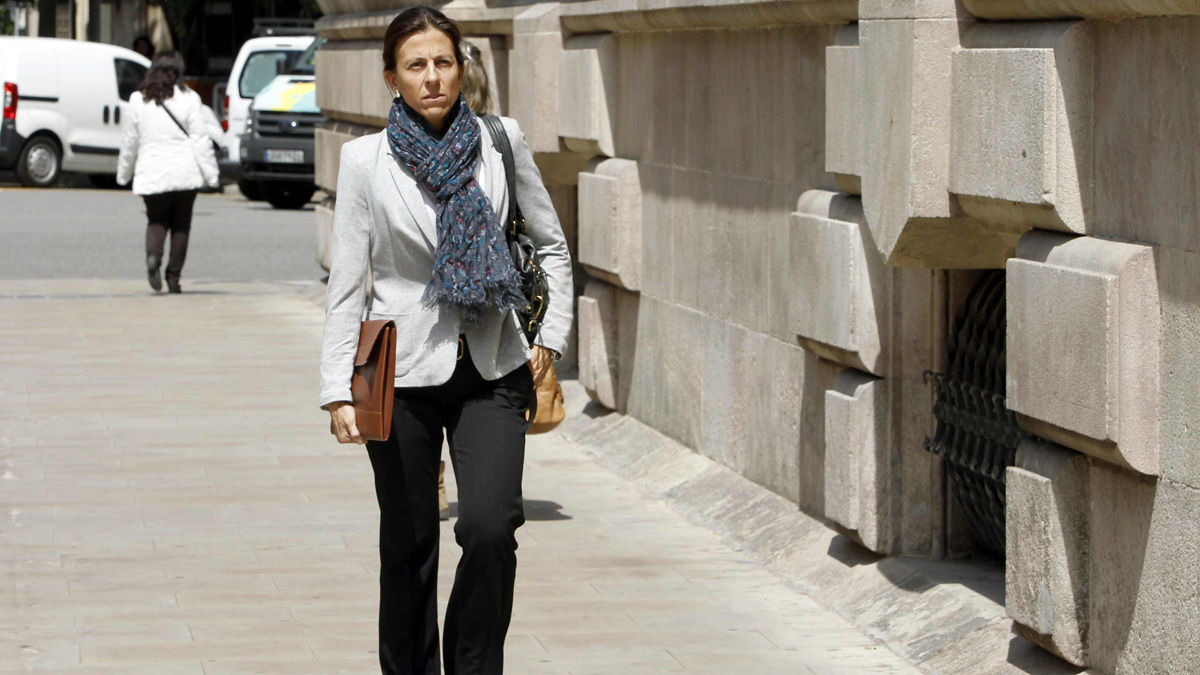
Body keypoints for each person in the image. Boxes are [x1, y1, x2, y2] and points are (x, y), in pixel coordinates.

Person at [318, 6, 573, 675]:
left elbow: (551, 244)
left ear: (461, 68)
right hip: (397, 371)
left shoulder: (501, 141)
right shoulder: (364, 161)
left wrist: (551, 336)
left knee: (490, 529)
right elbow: (347, 283)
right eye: (416, 65)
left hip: (494, 365)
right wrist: (337, 389)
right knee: (407, 544)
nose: (432, 77)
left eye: (443, 62)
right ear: (392, 78)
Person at [117, 52, 219, 294]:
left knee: (156, 220)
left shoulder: (138, 100)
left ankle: (153, 257)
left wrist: (124, 173)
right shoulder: (190, 98)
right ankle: (173, 278)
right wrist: (212, 174)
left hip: (152, 172)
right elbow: (200, 139)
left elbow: (130, 141)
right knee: (181, 225)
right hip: (185, 173)